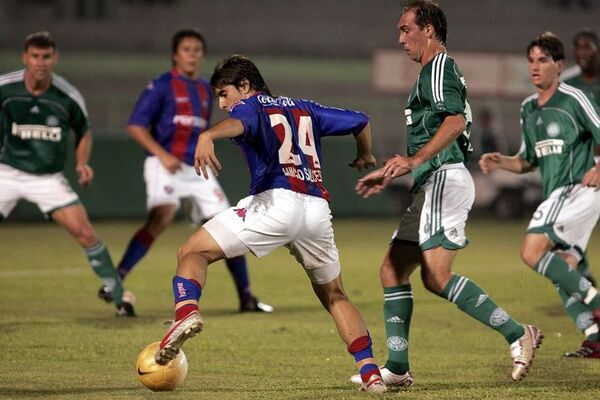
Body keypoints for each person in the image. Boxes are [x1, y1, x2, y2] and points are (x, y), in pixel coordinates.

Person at [153, 55, 387, 393]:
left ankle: (186, 313)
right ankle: (371, 374)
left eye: (224, 93)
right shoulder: (306, 108)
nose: (223, 103)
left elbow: (240, 123)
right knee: (335, 294)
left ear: (245, 86)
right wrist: (365, 154)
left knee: (192, 252)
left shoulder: (251, 106)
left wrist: (208, 135)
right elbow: (361, 121)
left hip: (276, 203)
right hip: (317, 210)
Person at [352, 0, 542, 386]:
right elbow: (436, 129)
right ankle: (399, 368)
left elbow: (454, 122)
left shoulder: (438, 66)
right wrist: (398, 170)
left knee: (437, 277)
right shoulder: (426, 74)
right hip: (429, 181)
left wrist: (414, 159)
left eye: (406, 29)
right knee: (392, 270)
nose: (400, 37)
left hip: (444, 179)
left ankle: (518, 332)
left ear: (430, 31)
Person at [98, 29, 272, 313]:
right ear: (175, 55)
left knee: (229, 227)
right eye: (186, 49)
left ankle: (247, 296)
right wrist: (163, 155)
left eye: (197, 50)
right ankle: (115, 280)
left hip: (195, 167)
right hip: (164, 164)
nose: (192, 55)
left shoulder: (206, 89)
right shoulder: (162, 85)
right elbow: (136, 125)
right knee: (162, 215)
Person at [480, 32, 600, 358]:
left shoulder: (573, 98)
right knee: (563, 268)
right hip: (557, 197)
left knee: (531, 251)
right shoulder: (528, 108)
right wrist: (500, 160)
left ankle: (597, 305)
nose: (535, 67)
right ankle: (594, 336)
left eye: (543, 60)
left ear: (558, 66)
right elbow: (527, 160)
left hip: (577, 191)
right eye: (531, 60)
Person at [0, 31, 135, 316]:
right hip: (7, 172)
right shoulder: (6, 88)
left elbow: (83, 131)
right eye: (35, 56)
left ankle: (121, 297)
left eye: (46, 56)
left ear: (55, 58)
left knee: (85, 233)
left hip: (48, 177)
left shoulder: (66, 97)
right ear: (25, 57)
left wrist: (82, 163)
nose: (40, 62)